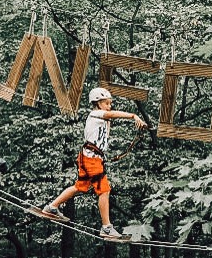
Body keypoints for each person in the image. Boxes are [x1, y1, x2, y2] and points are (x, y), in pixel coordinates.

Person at [43, 87, 147, 238]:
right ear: (98, 103)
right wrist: (133, 116)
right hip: (91, 159)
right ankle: (106, 227)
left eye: (110, 103)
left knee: (80, 187)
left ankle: (52, 207)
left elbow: (107, 126)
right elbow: (111, 114)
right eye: (106, 103)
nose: (109, 106)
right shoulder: (95, 113)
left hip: (90, 157)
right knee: (104, 190)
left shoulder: (103, 119)